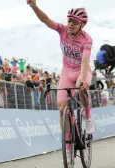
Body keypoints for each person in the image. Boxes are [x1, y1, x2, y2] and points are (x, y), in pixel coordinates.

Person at [27, 0, 94, 160]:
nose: (70, 24)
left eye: (75, 22)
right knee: (62, 109)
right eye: (69, 20)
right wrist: (34, 6)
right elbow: (46, 20)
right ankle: (68, 145)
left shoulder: (87, 39)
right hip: (66, 72)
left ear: (82, 25)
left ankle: (88, 115)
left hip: (81, 71)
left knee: (81, 86)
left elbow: (85, 61)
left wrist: (84, 79)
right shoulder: (62, 30)